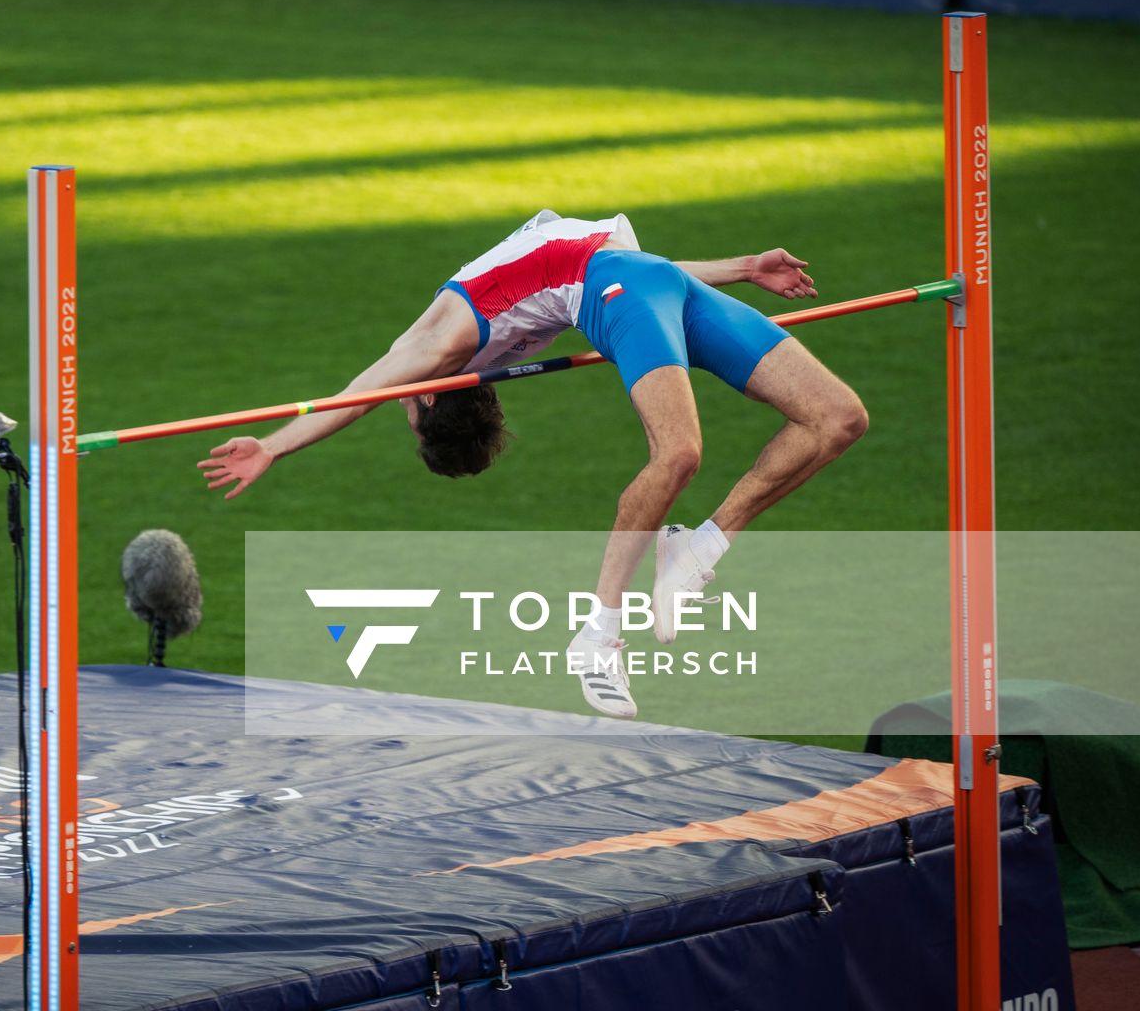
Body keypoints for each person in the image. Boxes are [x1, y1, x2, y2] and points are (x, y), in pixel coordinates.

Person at [198, 210, 867, 720]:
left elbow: (358, 396)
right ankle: (599, 634)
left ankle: (698, 546)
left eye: (409, 412)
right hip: (631, 286)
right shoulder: (456, 356)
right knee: (680, 453)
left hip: (643, 281)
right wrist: (744, 265)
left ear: (426, 394)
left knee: (838, 417)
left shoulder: (432, 347)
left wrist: (274, 444)